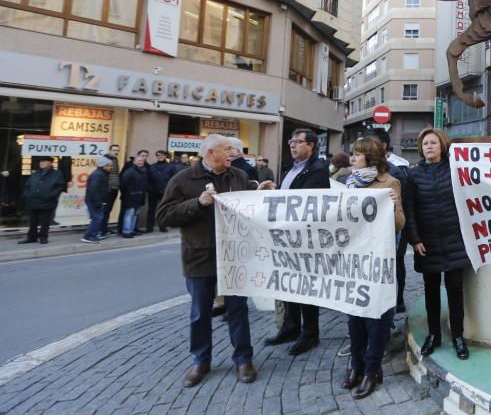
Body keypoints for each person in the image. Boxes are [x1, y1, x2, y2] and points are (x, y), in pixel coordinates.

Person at [156, 134, 257, 388]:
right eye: (227, 149)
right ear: (211, 153)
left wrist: (260, 195)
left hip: (233, 256)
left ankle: (243, 359)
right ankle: (201, 361)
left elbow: (248, 209)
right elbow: (164, 215)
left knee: (238, 310)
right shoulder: (183, 179)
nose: (233, 153)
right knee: (200, 313)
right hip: (199, 256)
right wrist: (197, 203)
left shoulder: (238, 177)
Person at [340, 137, 405, 399]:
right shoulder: (347, 183)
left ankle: (372, 369)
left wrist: (391, 203)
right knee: (354, 316)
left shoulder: (390, 183)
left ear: (371, 157)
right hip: (353, 259)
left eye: (357, 155)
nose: (352, 159)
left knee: (377, 319)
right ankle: (356, 365)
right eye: (352, 155)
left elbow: (400, 223)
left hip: (378, 261)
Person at [259, 128, 331, 356]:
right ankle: (290, 327)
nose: (292, 145)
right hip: (286, 237)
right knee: (288, 283)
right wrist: (276, 191)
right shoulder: (290, 167)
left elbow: (304, 203)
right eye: (291, 141)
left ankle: (310, 334)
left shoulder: (317, 170)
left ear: (311, 146)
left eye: (298, 142)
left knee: (306, 287)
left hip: (304, 239)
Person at [405, 128, 471, 360]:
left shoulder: (455, 168)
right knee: (431, 291)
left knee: (455, 290)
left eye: (433, 143)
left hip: (455, 239)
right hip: (427, 242)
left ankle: (458, 336)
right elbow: (409, 210)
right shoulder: (412, 175)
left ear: (442, 146)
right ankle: (434, 335)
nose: (428, 147)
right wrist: (415, 239)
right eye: (425, 144)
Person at [369, 129, 411, 313]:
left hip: (394, 229)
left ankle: (397, 299)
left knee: (396, 262)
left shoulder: (395, 172)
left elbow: (405, 204)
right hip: (373, 232)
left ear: (384, 146)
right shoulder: (364, 172)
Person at [18, 156, 66, 245]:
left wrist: (51, 195)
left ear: (51, 163)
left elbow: (60, 187)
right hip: (32, 201)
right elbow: (27, 185)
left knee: (45, 222)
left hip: (47, 201)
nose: (41, 163)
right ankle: (31, 237)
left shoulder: (57, 174)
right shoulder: (36, 173)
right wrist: (27, 195)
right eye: (40, 161)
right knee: (32, 221)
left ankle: (43, 237)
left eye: (44, 161)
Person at [82, 156, 114, 243]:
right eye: (110, 165)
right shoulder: (98, 175)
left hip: (96, 200)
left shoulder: (101, 173)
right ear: (104, 166)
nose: (111, 167)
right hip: (94, 200)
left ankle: (93, 234)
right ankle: (88, 236)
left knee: (97, 218)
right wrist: (98, 202)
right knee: (97, 218)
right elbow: (93, 189)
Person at [120, 151, 151, 238]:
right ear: (134, 162)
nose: (140, 162)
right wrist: (127, 194)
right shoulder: (130, 171)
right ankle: (126, 231)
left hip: (140, 196)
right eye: (138, 161)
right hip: (130, 196)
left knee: (135, 214)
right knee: (129, 214)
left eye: (142, 161)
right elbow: (123, 184)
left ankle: (131, 230)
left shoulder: (144, 171)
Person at [148, 150, 175, 233]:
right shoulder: (151, 166)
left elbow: (173, 179)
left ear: (165, 156)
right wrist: (150, 188)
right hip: (153, 191)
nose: (160, 156)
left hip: (165, 191)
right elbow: (148, 179)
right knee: (151, 209)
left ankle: (162, 227)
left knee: (163, 210)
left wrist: (169, 189)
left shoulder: (170, 166)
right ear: (156, 156)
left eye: (162, 155)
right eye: (158, 155)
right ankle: (149, 227)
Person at [101, 144, 121, 234]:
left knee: (109, 209)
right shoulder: (105, 159)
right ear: (110, 150)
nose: (116, 152)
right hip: (107, 189)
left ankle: (104, 227)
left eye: (117, 150)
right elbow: (102, 174)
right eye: (114, 150)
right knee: (105, 210)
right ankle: (101, 229)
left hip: (114, 188)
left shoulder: (115, 159)